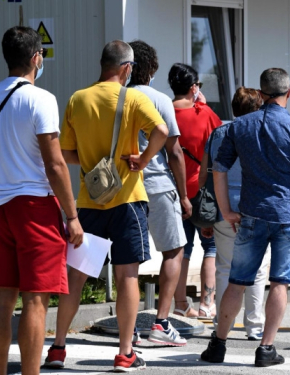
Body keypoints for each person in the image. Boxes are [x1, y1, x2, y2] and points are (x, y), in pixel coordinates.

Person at [44, 40, 168, 371]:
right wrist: (142, 160)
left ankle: (57, 348)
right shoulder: (134, 98)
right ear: (126, 69)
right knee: (127, 275)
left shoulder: (78, 99)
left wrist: (91, 163)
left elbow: (66, 153)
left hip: (88, 201)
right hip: (127, 200)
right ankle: (125, 353)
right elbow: (162, 131)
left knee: (78, 275)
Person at [200, 68, 290, 367]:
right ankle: (266, 349)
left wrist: (225, 208)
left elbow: (219, 167)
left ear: (261, 93)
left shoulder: (239, 126)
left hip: (251, 213)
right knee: (279, 283)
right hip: (288, 216)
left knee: (237, 281)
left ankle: (218, 345)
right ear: (288, 93)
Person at [0, 26, 83, 375]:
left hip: (1, 206)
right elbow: (54, 163)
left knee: (3, 301)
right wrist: (72, 215)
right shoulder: (41, 99)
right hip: (35, 207)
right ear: (37, 58)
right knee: (36, 299)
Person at [127, 40, 189, 347]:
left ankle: (130, 329)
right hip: (159, 184)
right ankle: (161, 324)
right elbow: (174, 152)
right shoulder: (160, 99)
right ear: (151, 68)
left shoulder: (116, 97)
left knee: (129, 258)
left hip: (125, 187)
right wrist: (185, 194)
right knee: (173, 250)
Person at [199, 87, 269, 341]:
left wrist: (207, 211)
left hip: (222, 205)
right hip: (255, 206)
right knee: (258, 267)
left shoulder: (218, 133)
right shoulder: (261, 132)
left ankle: (222, 323)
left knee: (224, 266)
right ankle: (255, 326)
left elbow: (205, 175)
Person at [169, 63, 222, 319]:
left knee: (182, 249)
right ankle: (207, 304)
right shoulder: (204, 113)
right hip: (202, 193)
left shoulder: (163, 111)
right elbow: (221, 138)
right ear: (193, 88)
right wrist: (201, 103)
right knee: (210, 248)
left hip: (173, 192)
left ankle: (180, 304)